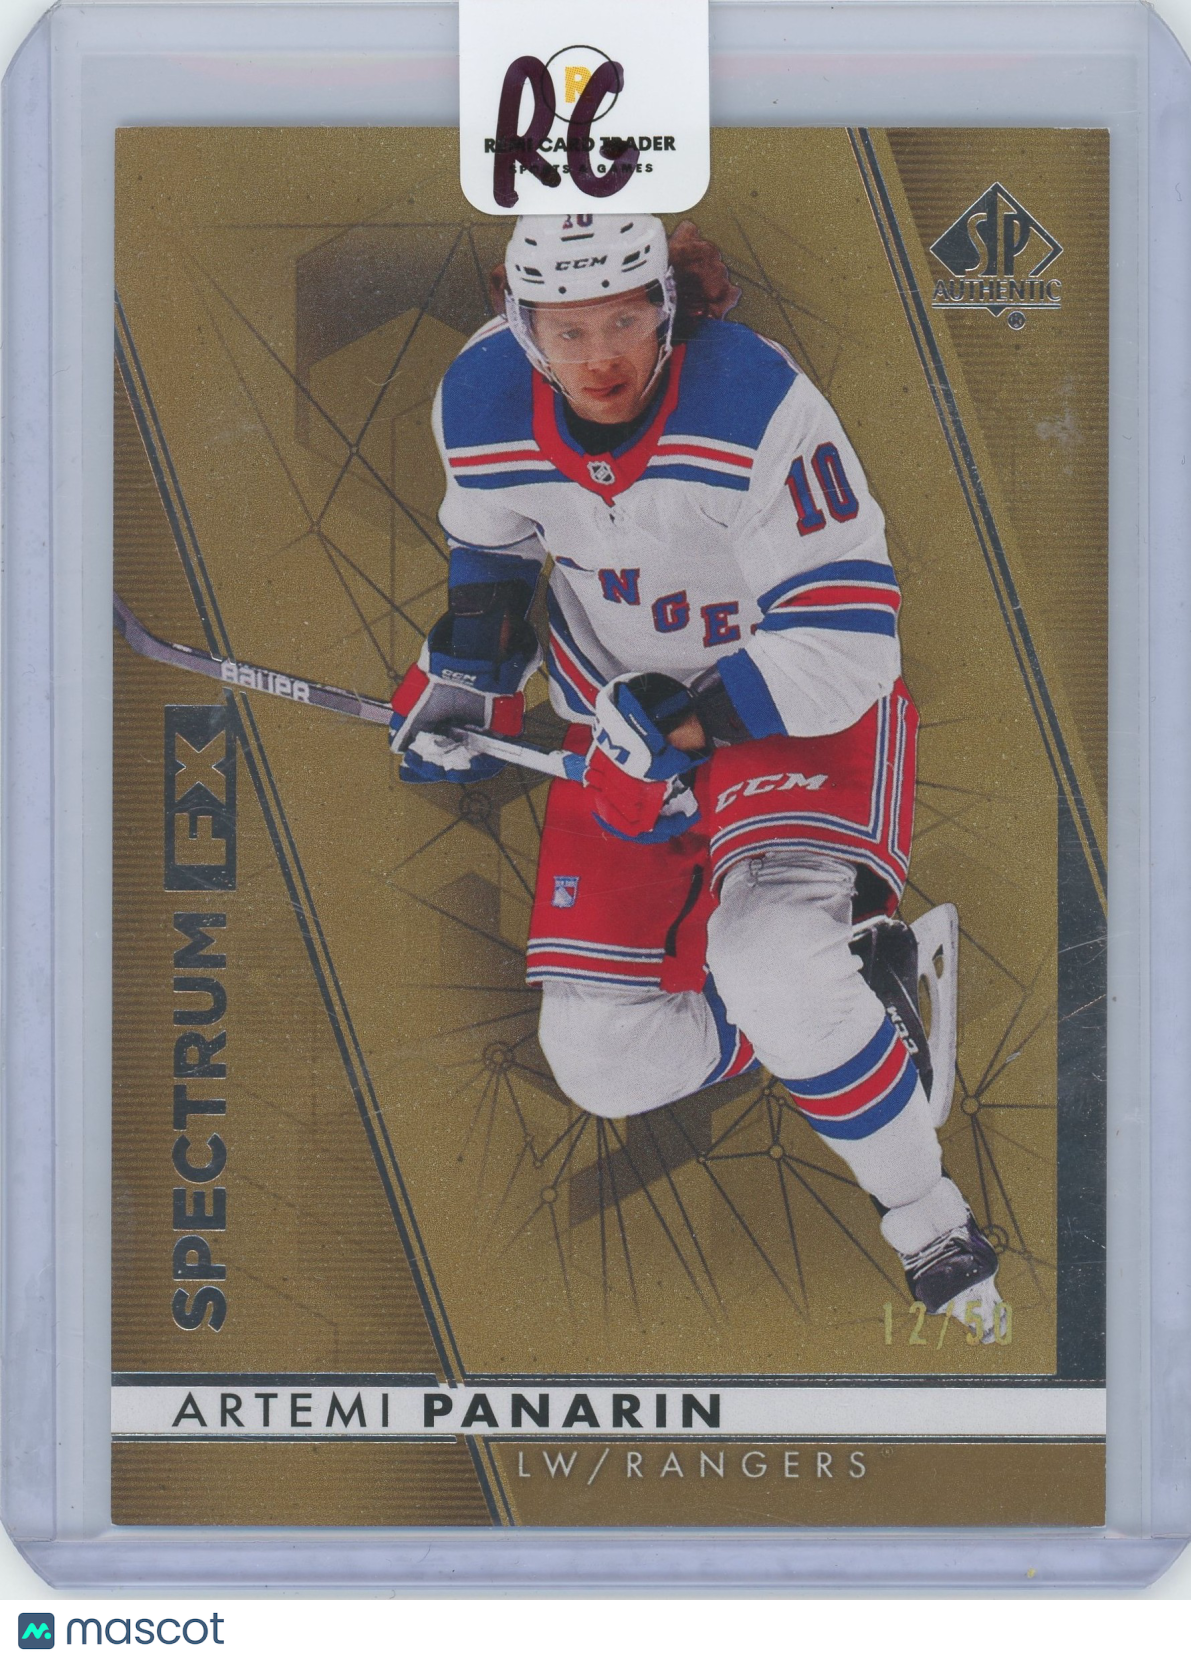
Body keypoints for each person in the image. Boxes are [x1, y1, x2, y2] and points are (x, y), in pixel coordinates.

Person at [389, 213, 1002, 1337]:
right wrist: (471, 665)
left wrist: (690, 722)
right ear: (519, 325)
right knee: (602, 1063)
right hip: (618, 717)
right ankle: (844, 998)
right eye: (566, 332)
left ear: (669, 303)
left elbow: (848, 636)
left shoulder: (754, 401)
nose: (599, 358)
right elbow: (494, 543)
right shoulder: (477, 393)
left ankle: (926, 1214)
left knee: (767, 951)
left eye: (624, 321)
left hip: (788, 707)